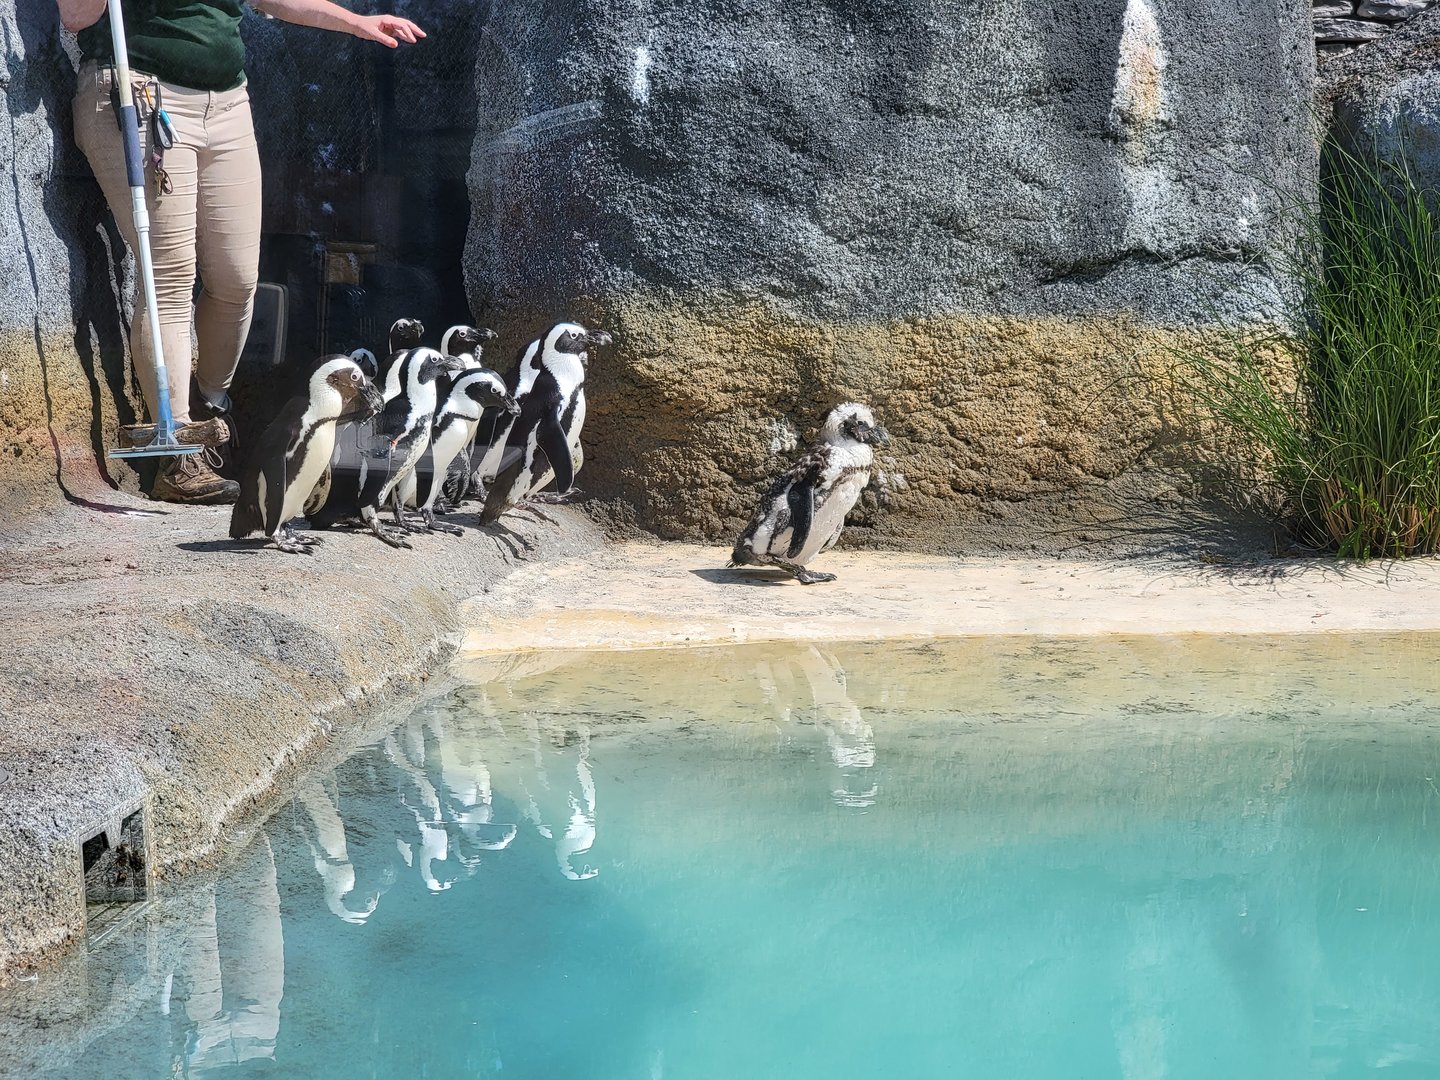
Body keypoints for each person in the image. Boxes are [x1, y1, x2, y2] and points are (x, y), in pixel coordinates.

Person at [56, 0, 425, 503]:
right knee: (169, 277)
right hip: (139, 93)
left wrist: (356, 22)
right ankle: (178, 453)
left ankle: (209, 410)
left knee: (237, 279)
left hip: (227, 103)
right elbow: (76, 16)